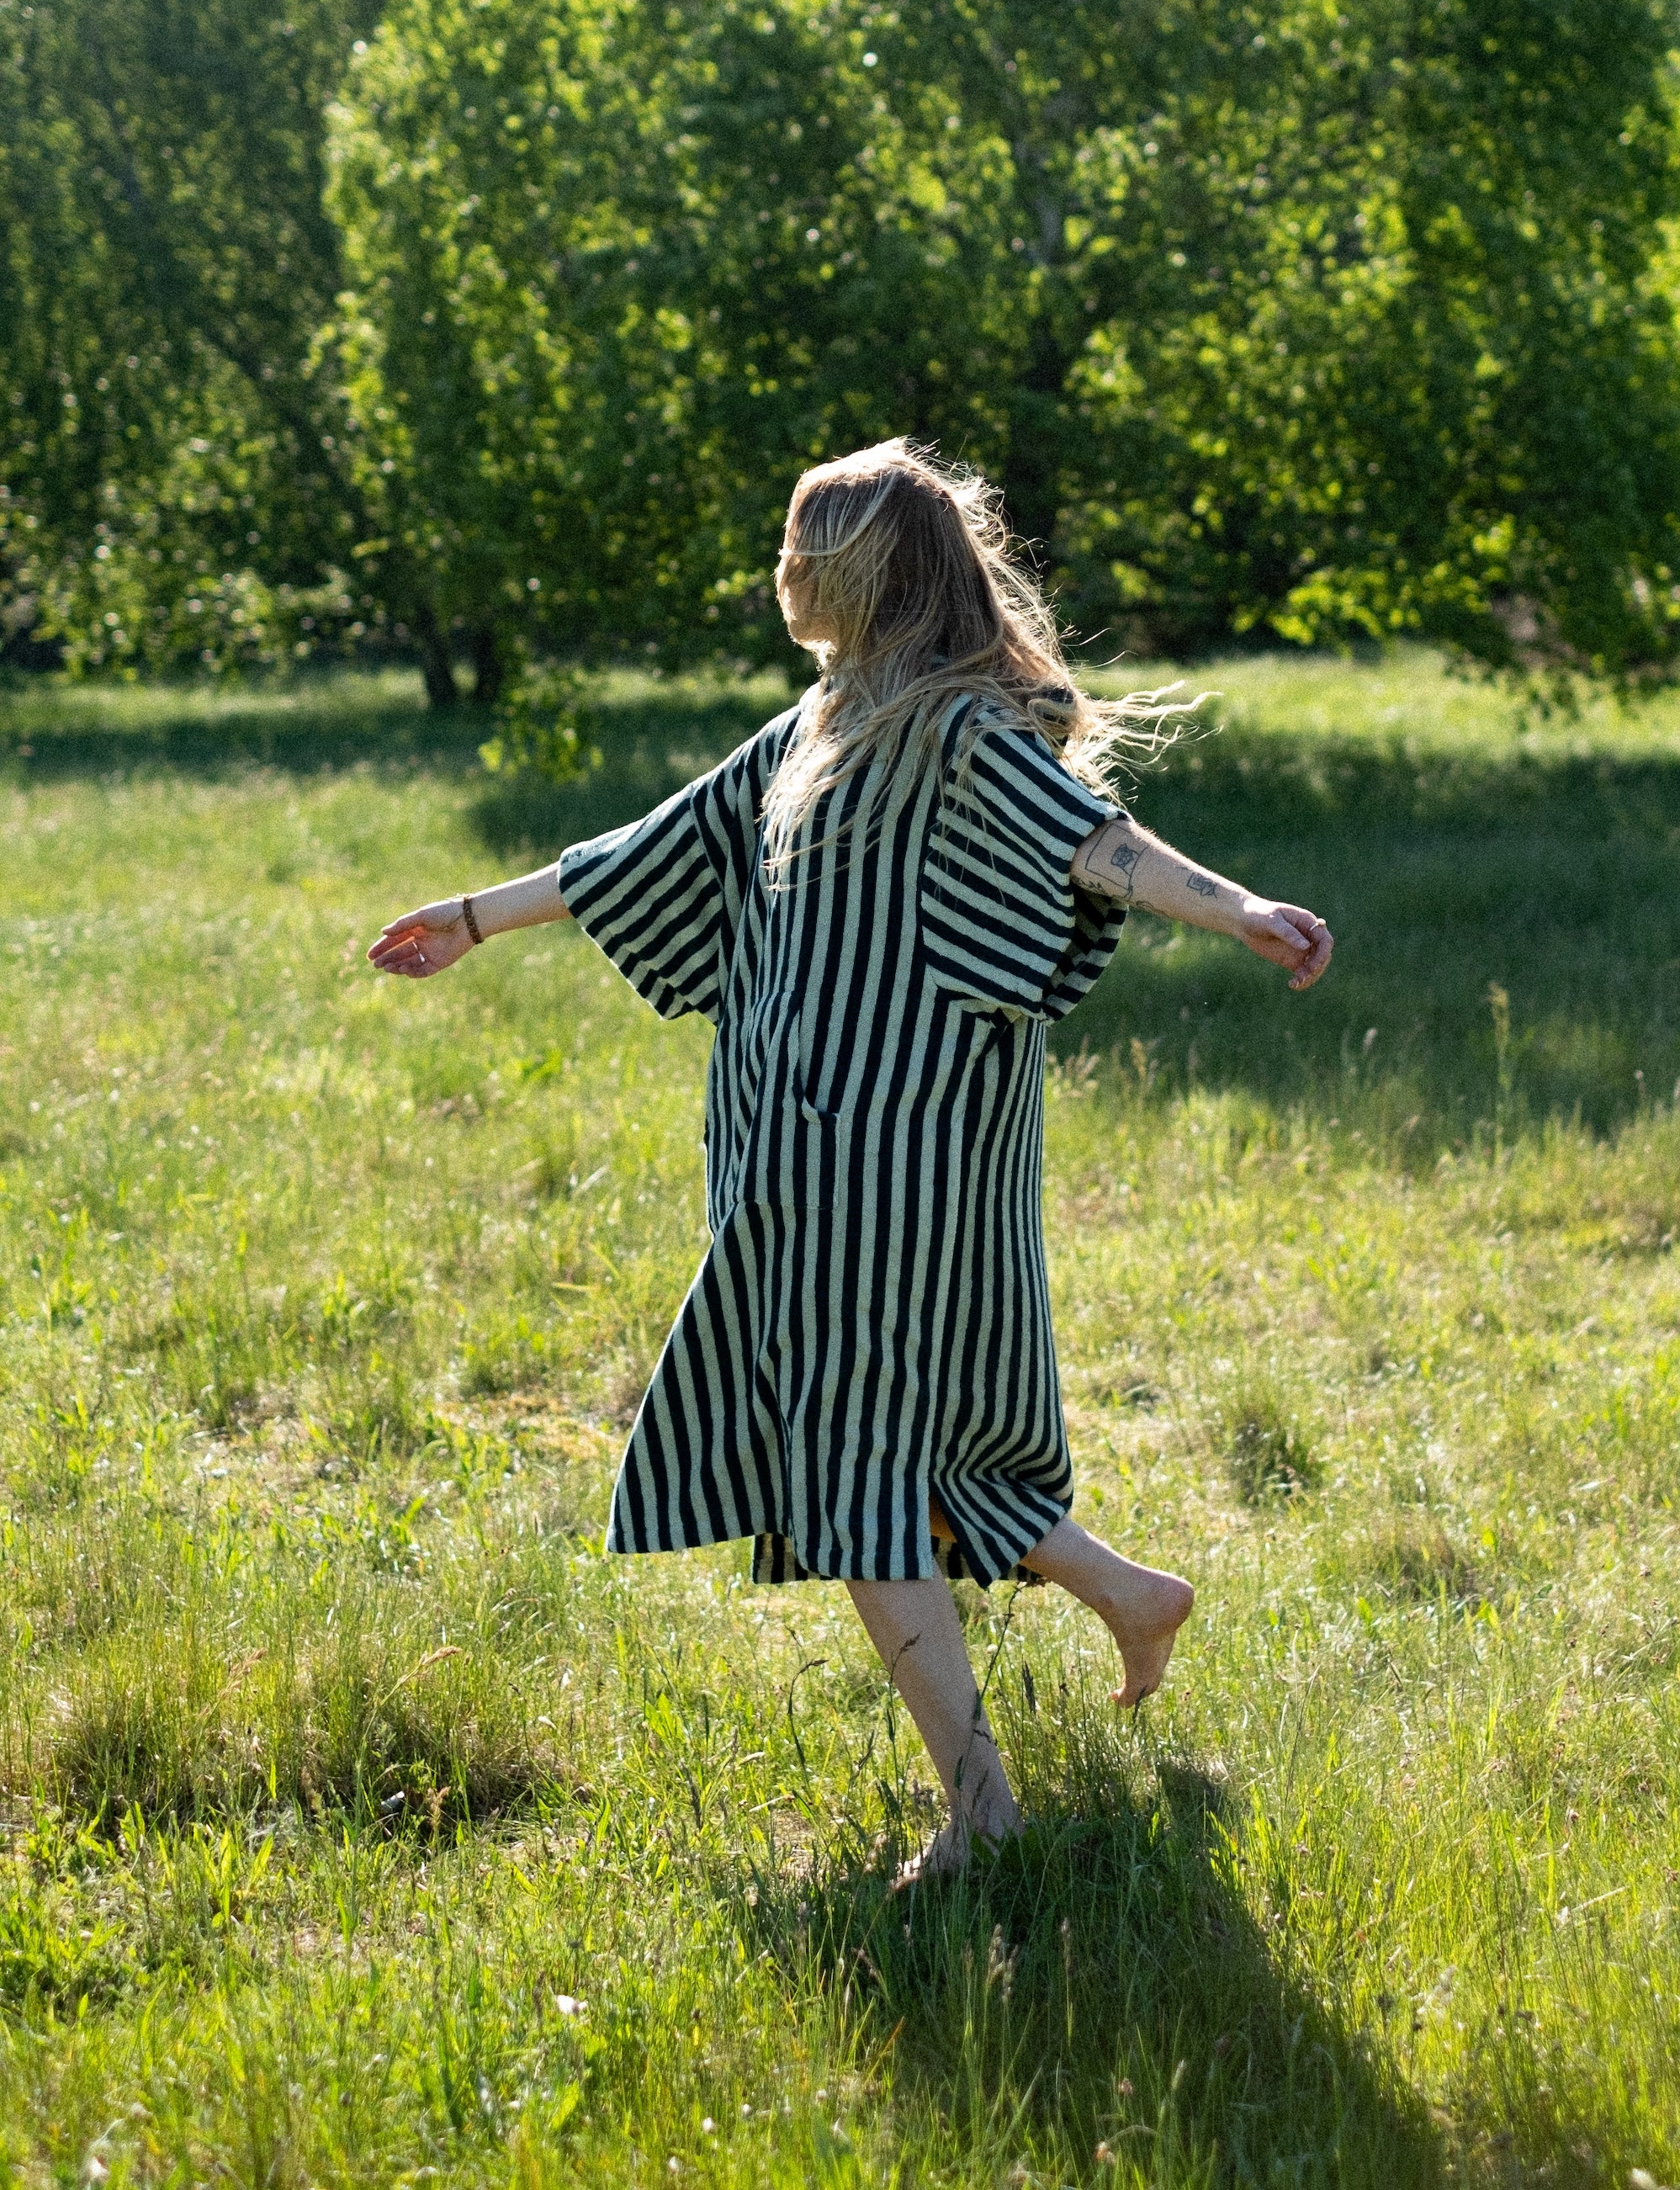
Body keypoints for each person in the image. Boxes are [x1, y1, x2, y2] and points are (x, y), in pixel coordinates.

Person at [368, 439, 1333, 1880]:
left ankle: (982, 1808)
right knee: (886, 1433)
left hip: (888, 1161)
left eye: (800, 544)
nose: (780, 570)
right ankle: (1134, 1596)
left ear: (859, 569)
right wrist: (469, 914)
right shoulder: (817, 726)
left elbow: (1096, 844)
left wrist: (1239, 905)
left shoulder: (955, 731)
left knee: (850, 1459)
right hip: (795, 1146)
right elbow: (642, 852)